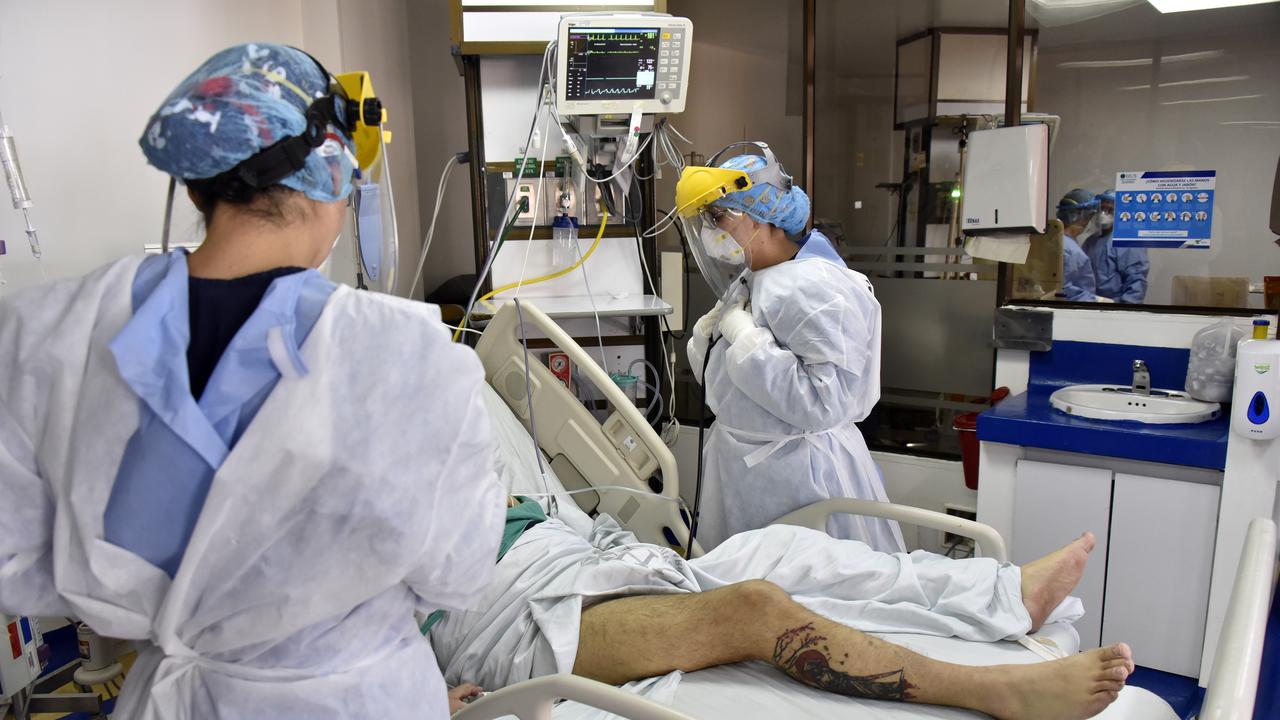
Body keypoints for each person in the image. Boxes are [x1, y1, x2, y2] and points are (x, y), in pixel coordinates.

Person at [0, 44, 505, 719]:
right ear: (335, 172)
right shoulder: (411, 358)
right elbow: (459, 573)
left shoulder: (40, 334)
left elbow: (17, 564)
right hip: (358, 700)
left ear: (194, 184)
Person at [431, 496, 1134, 719]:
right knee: (757, 610)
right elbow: (351, 640)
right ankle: (1002, 692)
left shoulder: (477, 479)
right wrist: (431, 696)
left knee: (785, 549)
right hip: (519, 620)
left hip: (601, 566)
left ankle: (1005, 594)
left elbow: (580, 528)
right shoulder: (358, 525)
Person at [677, 144, 905, 553]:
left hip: (802, 478)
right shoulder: (756, 276)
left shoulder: (818, 288)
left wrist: (748, 342)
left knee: (808, 606)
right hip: (744, 471)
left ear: (762, 220)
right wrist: (706, 339)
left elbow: (823, 402)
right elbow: (724, 379)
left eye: (720, 217)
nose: (714, 230)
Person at [1083, 189, 1149, 304]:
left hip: (1117, 308)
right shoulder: (1091, 241)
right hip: (1092, 305)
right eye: (1101, 209)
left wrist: (1124, 309)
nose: (1103, 214)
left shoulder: (1127, 241)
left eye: (1109, 210)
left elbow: (1136, 283)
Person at [1057, 189, 1102, 302]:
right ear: (1082, 217)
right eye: (1090, 216)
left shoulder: (1055, 240)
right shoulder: (1070, 250)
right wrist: (1095, 300)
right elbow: (1064, 289)